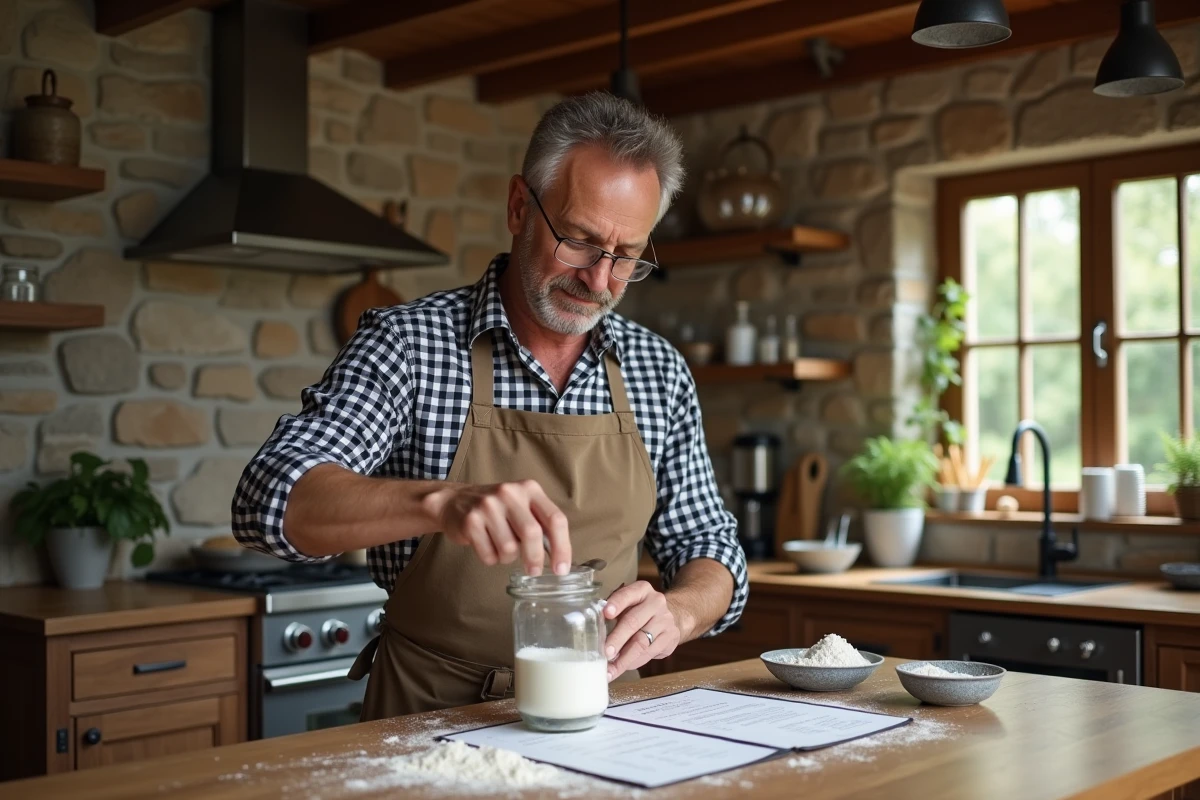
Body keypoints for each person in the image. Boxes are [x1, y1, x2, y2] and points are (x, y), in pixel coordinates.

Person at [232, 92, 747, 719]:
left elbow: (709, 542)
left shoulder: (657, 370)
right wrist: (440, 502)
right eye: (580, 241)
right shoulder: (409, 345)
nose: (600, 279)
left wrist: (683, 608)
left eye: (627, 255)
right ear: (518, 208)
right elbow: (266, 500)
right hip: (423, 718)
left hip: (605, 715)